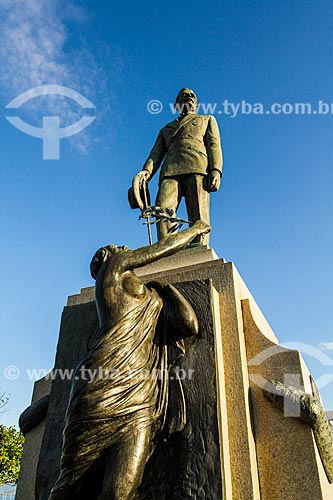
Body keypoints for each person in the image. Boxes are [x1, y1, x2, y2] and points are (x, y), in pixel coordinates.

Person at [48, 220, 210, 500]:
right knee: (68, 487)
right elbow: (161, 248)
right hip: (102, 388)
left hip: (140, 399)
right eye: (118, 248)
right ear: (107, 261)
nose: (124, 248)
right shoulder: (111, 273)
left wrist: (166, 287)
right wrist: (193, 231)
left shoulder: (148, 298)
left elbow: (190, 326)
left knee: (120, 492)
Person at [133, 88, 223, 245]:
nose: (188, 97)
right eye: (183, 95)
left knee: (198, 213)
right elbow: (155, 154)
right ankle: (168, 247)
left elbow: (214, 145)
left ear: (196, 104)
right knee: (163, 209)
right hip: (170, 170)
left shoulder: (206, 119)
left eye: (192, 95)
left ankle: (199, 246)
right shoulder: (166, 129)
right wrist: (146, 172)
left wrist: (216, 170)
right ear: (176, 105)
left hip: (197, 166)